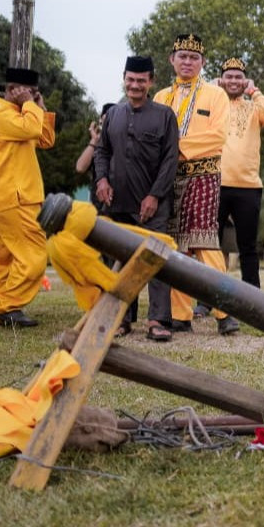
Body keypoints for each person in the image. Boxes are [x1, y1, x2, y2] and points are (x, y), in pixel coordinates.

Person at [154, 34, 239, 335]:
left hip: (202, 173)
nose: (188, 62)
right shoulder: (160, 97)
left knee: (205, 242)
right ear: (172, 60)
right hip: (167, 178)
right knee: (176, 246)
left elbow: (218, 135)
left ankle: (225, 312)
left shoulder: (216, 95)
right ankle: (180, 315)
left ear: (203, 63)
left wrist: (175, 149)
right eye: (182, 56)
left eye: (194, 58)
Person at [95, 56, 180, 341]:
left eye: (141, 81)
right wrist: (102, 179)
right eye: (130, 79)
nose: (135, 85)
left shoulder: (165, 115)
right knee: (118, 263)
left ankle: (158, 320)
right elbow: (102, 152)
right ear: (124, 78)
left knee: (156, 260)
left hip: (153, 205)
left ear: (151, 82)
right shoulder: (113, 114)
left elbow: (170, 160)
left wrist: (154, 195)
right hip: (117, 203)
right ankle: (121, 319)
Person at [0, 67, 56, 327]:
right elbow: (32, 129)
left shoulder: (21, 114)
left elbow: (46, 139)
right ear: (12, 90)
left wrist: (38, 105)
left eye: (35, 93)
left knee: (2, 259)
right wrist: (30, 105)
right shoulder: (2, 114)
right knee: (35, 257)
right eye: (29, 92)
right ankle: (6, 306)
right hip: (13, 197)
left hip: (9, 197)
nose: (32, 97)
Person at [217, 57, 264, 290]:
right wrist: (212, 90)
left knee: (248, 247)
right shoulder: (214, 104)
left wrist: (254, 92)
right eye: (229, 76)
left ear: (245, 81)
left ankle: (252, 296)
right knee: (210, 246)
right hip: (215, 184)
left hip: (248, 186)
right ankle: (207, 299)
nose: (234, 81)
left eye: (239, 77)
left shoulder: (255, 108)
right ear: (221, 80)